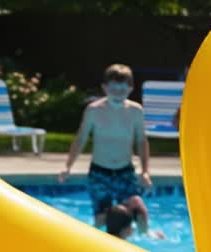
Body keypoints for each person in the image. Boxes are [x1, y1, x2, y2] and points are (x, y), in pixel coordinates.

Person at [59, 63, 163, 238]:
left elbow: (141, 141)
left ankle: (146, 236)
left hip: (125, 171)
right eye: (114, 89)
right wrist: (68, 166)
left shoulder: (135, 111)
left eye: (122, 90)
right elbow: (81, 139)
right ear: (105, 88)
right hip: (100, 173)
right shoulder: (94, 110)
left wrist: (145, 171)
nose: (118, 94)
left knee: (139, 211)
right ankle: (91, 241)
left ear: (130, 89)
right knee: (102, 220)